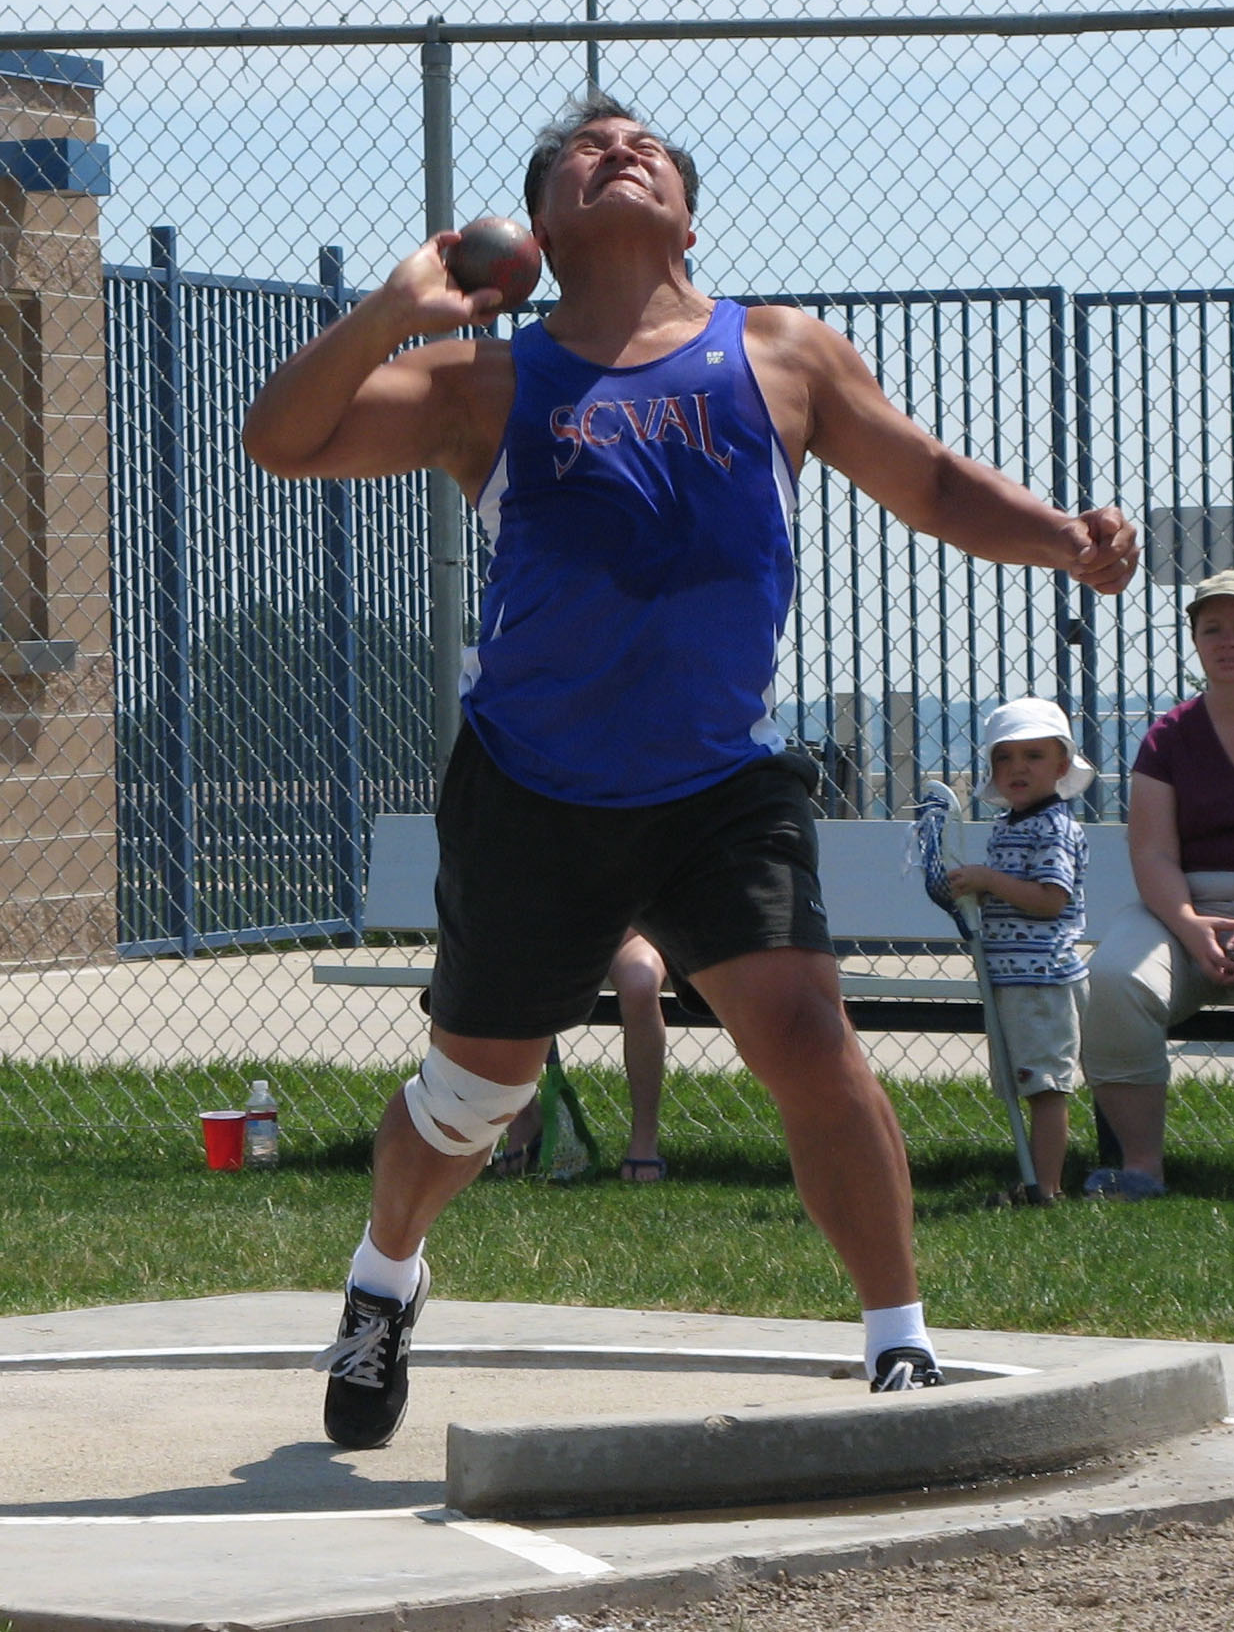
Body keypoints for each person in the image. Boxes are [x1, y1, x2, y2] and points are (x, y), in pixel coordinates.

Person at [242, 90, 1139, 1449]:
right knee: (475, 1099)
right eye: (585, 151)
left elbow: (933, 483)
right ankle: (383, 1278)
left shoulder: (780, 352)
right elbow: (280, 439)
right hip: (534, 783)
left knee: (807, 1037)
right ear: (539, 231)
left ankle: (897, 1342)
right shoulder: (484, 381)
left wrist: (1063, 536)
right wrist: (395, 308)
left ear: (686, 218)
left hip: (717, 782)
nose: (619, 150)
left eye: (644, 147)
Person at [1080, 570, 1234, 1200]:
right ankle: (1141, 1166)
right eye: (1213, 629)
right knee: (1116, 978)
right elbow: (1152, 853)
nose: (1227, 641)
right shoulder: (1167, 737)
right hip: (1181, 910)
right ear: (1195, 642)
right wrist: (1191, 928)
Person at [946, 698, 1094, 1205]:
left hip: (1041, 979)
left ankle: (1045, 1188)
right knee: (1028, 1083)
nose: (1017, 768)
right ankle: (1033, 1181)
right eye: (1004, 758)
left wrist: (988, 880)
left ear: (1061, 766)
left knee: (1046, 1087)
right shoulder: (1011, 825)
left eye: (1033, 756)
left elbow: (1050, 900)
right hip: (1014, 978)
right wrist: (977, 889)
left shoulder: (1053, 826)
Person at [492, 928, 670, 1181]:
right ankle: (523, 1122)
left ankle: (645, 1138)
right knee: (506, 968)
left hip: (629, 934)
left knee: (640, 984)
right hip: (550, 933)